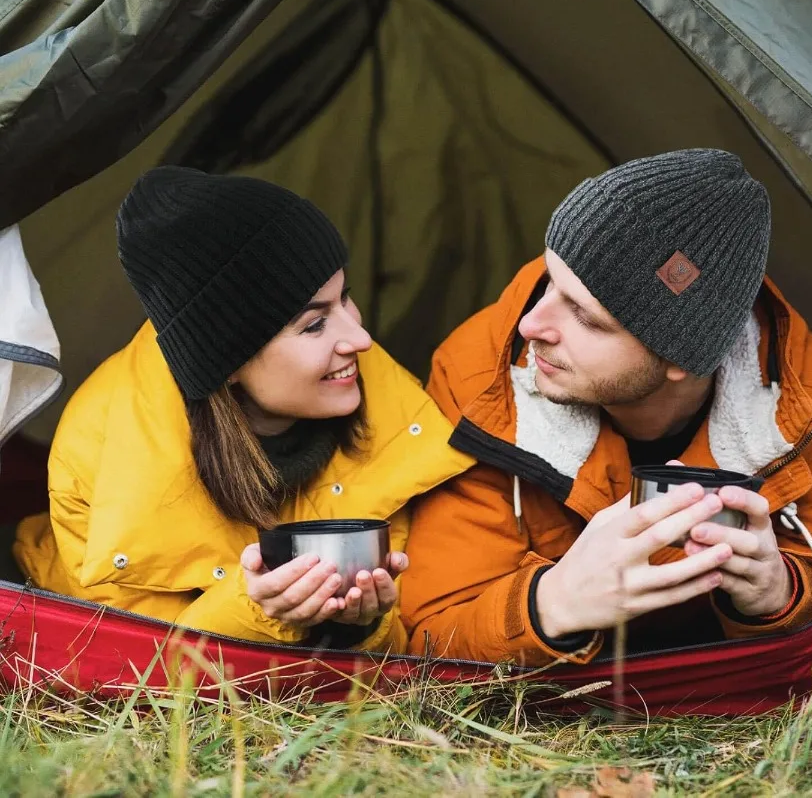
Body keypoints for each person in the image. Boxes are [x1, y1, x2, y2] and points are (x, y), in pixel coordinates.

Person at [401, 149, 812, 666]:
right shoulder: (481, 375)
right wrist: (553, 603)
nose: (532, 326)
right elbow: (429, 639)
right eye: (550, 280)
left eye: (585, 318)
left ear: (679, 355)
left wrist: (781, 596)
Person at [14, 167, 471, 651]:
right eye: (314, 324)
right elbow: (137, 677)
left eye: (346, 299)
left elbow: (418, 653)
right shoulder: (106, 461)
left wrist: (356, 626)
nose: (360, 339)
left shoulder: (396, 417)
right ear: (227, 361)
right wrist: (258, 613)